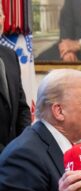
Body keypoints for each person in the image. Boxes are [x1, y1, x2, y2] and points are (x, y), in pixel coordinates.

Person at [0, 3, 31, 153]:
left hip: (14, 156)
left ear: (3, 19)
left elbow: (22, 107)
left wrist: (23, 144)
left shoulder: (10, 55)